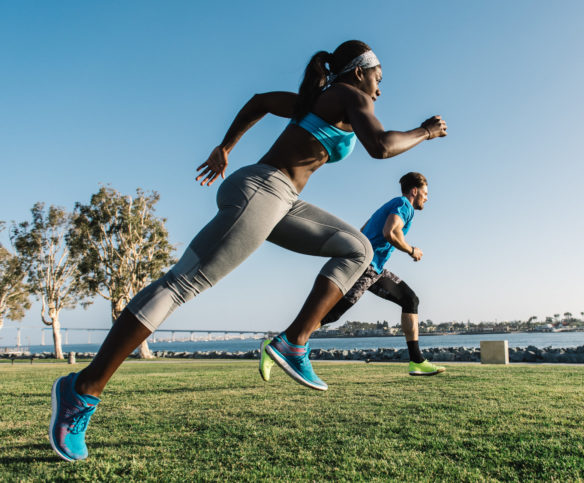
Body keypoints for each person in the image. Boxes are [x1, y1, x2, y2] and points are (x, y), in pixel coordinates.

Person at [49, 40, 447, 462]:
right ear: (358, 71)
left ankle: (293, 342)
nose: (379, 89)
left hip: (283, 200)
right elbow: (381, 145)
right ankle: (82, 390)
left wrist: (227, 146)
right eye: (378, 78)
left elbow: (260, 101)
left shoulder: (318, 101)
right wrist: (425, 131)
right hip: (265, 189)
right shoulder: (348, 94)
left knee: (358, 249)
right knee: (182, 284)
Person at [259, 172, 445, 380]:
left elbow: (364, 229)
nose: (427, 198)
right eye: (425, 193)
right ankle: (281, 342)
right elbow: (390, 233)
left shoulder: (391, 205)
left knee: (410, 299)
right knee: (333, 314)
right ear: (414, 191)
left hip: (375, 269)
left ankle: (417, 361)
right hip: (366, 267)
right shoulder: (404, 205)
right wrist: (412, 250)